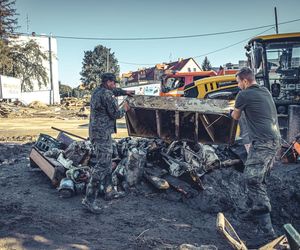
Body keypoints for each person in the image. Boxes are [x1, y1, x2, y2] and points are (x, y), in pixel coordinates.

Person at [230, 67, 281, 246]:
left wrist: (231, 111)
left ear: (244, 81)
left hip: (264, 142)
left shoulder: (243, 95)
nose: (238, 86)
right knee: (260, 178)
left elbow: (235, 116)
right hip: (275, 140)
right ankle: (252, 210)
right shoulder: (265, 90)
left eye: (238, 82)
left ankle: (268, 232)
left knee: (252, 179)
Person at [82, 73, 134, 214]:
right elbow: (116, 114)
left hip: (98, 132)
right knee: (103, 164)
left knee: (106, 161)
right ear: (107, 82)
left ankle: (109, 191)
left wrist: (125, 92)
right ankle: (89, 200)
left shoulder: (98, 91)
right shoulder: (106, 94)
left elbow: (114, 92)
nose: (115, 85)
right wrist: (125, 107)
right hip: (102, 134)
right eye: (113, 83)